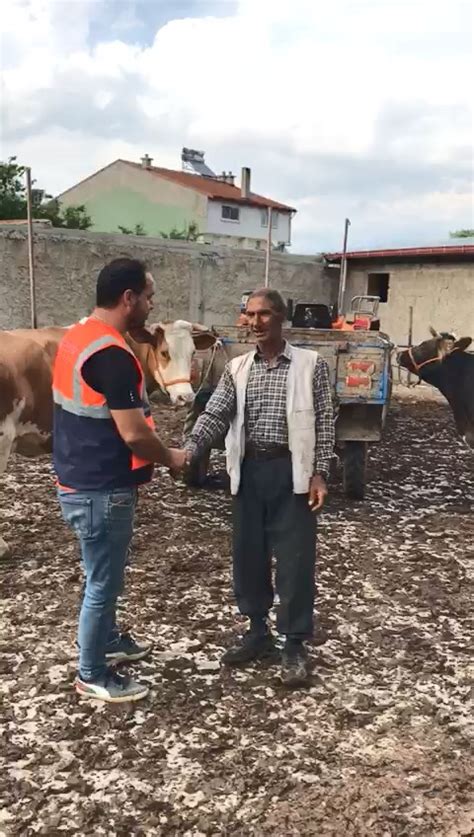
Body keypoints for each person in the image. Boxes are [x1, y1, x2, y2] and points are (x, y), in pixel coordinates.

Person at [184, 288, 335, 686]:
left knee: (295, 561)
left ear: (282, 317)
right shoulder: (237, 367)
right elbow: (216, 412)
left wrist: (319, 473)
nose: (255, 322)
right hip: (248, 472)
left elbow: (324, 421)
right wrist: (190, 451)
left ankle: (294, 643)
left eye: (264, 314)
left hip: (292, 474)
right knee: (248, 556)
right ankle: (257, 632)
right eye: (249, 314)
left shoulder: (310, 365)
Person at [53, 258, 186, 703]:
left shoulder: (79, 336)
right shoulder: (113, 355)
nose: (152, 305)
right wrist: (170, 457)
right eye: (149, 296)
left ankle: (107, 639)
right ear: (128, 298)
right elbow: (132, 433)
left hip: (78, 476)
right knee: (103, 581)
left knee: (101, 573)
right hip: (100, 487)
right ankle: (91, 672)